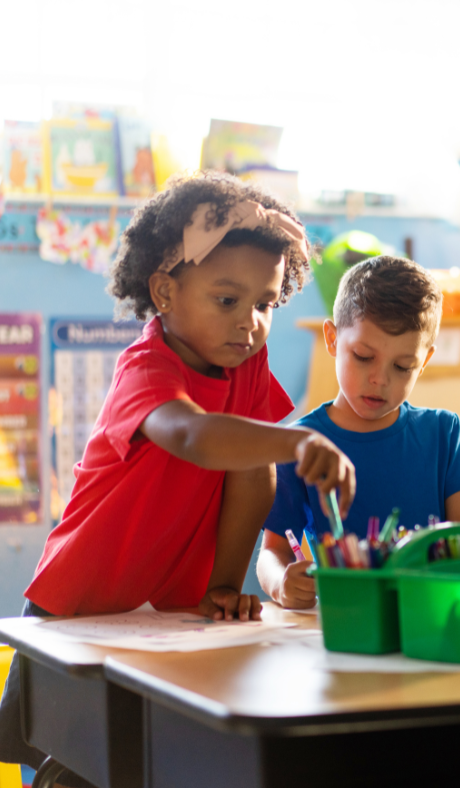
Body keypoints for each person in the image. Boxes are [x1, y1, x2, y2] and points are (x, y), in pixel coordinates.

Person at [0, 171, 356, 775]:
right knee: (74, 758)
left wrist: (221, 583)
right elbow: (192, 436)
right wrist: (297, 439)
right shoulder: (147, 366)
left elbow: (252, 472)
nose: (250, 323)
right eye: (227, 300)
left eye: (265, 304)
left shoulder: (245, 364)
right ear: (164, 293)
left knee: (151, 751)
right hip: (79, 606)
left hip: (168, 614)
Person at [257, 255, 460, 610]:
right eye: (363, 356)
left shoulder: (444, 434)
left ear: (424, 361)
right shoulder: (300, 444)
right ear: (333, 340)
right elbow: (272, 552)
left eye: (403, 366)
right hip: (348, 617)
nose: (380, 379)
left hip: (432, 614)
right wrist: (281, 584)